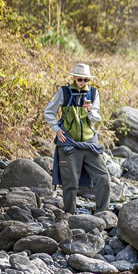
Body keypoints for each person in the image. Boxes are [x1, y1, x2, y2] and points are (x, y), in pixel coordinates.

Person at [43, 63, 111, 214]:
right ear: (74, 78)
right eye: (80, 79)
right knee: (70, 183)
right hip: (69, 143)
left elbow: (96, 118)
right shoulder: (64, 92)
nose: (83, 83)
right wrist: (56, 129)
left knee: (103, 177)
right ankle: (69, 215)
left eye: (86, 80)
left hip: (89, 143)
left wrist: (90, 111)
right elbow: (48, 112)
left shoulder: (93, 93)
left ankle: (103, 213)